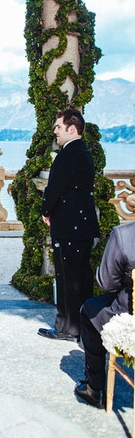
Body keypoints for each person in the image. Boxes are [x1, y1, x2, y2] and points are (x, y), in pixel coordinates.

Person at [38, 107, 100, 341]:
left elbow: (55, 188)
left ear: (72, 129)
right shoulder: (83, 152)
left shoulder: (68, 154)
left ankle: (66, 327)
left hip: (68, 225)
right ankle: (82, 326)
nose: (55, 131)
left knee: (67, 278)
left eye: (59, 127)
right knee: (81, 277)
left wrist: (46, 211)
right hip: (82, 225)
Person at [75, 220, 135, 408]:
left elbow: (106, 284)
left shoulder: (124, 235)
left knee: (90, 310)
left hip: (129, 315)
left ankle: (94, 389)